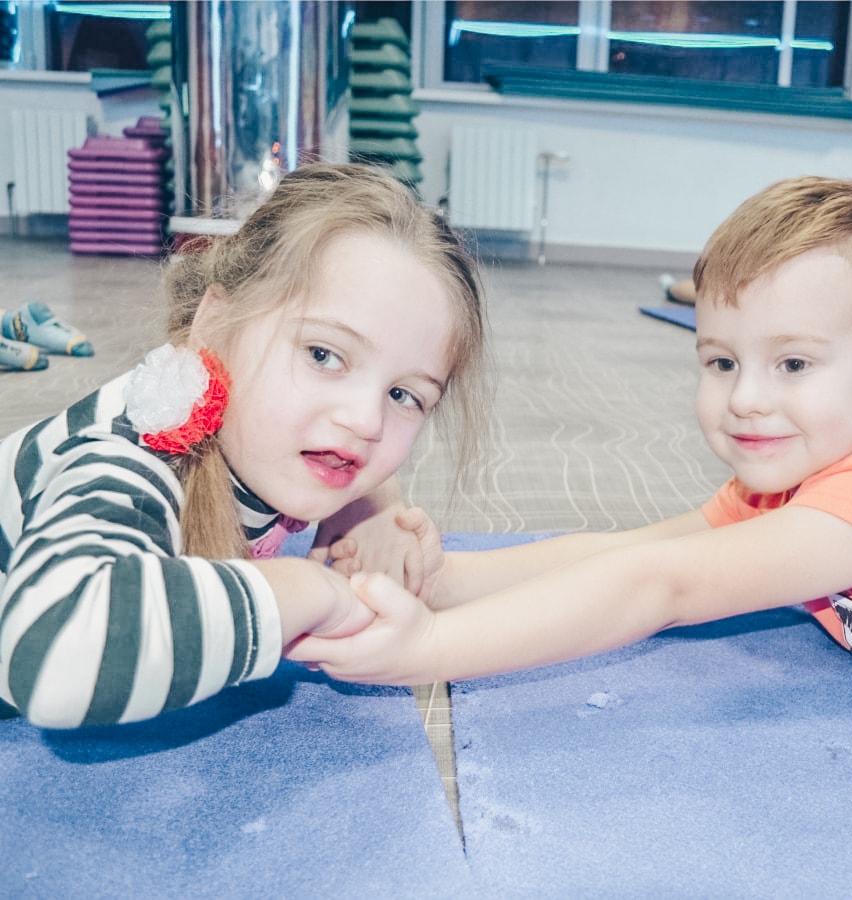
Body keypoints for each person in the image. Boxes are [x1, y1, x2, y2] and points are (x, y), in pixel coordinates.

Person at [289, 176, 852, 694]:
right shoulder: (793, 475)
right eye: (721, 361)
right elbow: (634, 547)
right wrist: (449, 579)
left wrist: (428, 652)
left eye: (794, 364)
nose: (747, 400)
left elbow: (663, 586)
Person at [0, 162, 489, 729]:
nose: (365, 421)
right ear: (213, 323)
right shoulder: (131, 451)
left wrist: (376, 500)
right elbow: (51, 664)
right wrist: (306, 591)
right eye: (323, 355)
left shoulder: (263, 437)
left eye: (403, 395)